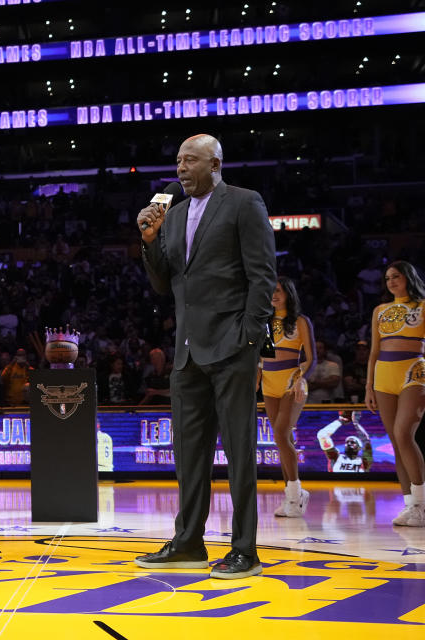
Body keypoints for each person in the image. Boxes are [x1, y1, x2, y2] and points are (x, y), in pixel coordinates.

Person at [136, 134, 277, 579]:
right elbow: (163, 284)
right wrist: (150, 241)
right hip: (188, 351)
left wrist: (250, 340)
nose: (181, 167)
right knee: (189, 453)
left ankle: (244, 549)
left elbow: (262, 276)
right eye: (178, 160)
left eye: (190, 160)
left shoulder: (243, 202)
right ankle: (189, 543)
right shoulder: (173, 215)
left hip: (232, 346)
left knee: (240, 452)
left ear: (215, 163)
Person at [366, 260, 425, 526]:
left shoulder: (422, 306)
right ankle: (410, 504)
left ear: (408, 277)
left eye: (396, 276)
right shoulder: (380, 310)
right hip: (383, 376)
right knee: (396, 441)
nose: (391, 281)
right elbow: (374, 352)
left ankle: (421, 504)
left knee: (404, 434)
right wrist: (369, 385)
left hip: (414, 370)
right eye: (387, 277)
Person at [260, 277, 315, 518]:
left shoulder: (301, 321)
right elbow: (262, 360)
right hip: (269, 385)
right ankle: (292, 495)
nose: (274, 294)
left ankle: (295, 494)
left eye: (279, 290)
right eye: (271, 290)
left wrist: (301, 379)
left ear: (288, 293)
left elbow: (311, 358)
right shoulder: (266, 322)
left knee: (281, 435)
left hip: (292, 383)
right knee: (282, 440)